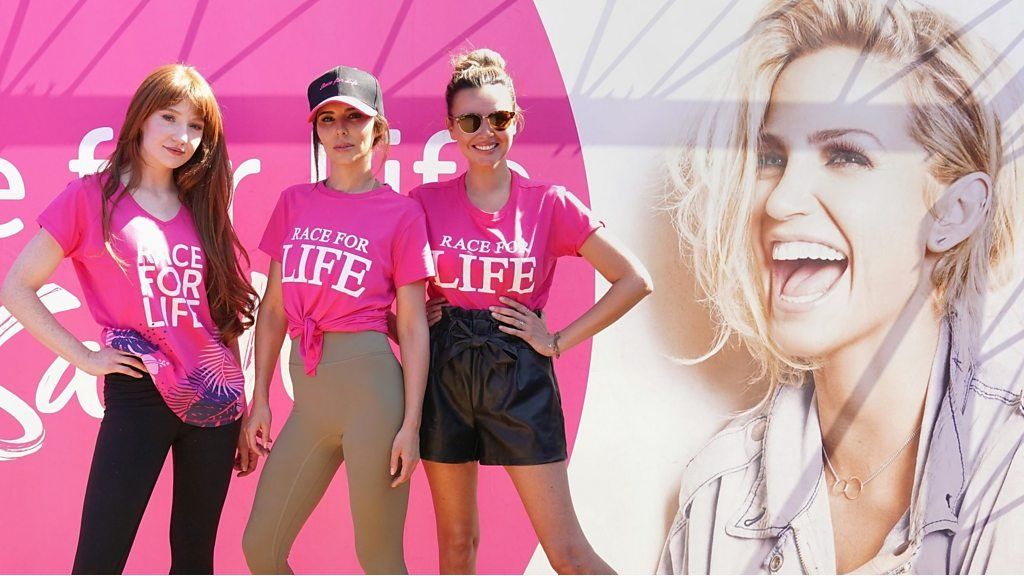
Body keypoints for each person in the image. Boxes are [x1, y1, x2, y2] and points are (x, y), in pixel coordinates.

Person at [658, 0, 1024, 573]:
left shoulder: (1010, 476)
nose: (780, 200)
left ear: (954, 212)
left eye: (846, 155)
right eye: (772, 157)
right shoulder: (718, 492)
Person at [0, 64, 258, 574]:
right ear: (140, 119)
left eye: (196, 125)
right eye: (169, 117)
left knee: (194, 562)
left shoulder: (201, 206)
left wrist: (243, 410)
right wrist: (86, 357)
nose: (182, 136)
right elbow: (16, 286)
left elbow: (223, 318)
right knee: (99, 560)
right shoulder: (91, 197)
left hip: (215, 402)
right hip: (138, 390)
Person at [409, 48, 653, 574]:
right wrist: (407, 320)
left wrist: (557, 339)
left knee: (567, 553)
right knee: (456, 546)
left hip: (519, 378)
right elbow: (383, 295)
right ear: (452, 128)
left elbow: (634, 279)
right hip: (443, 375)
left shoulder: (549, 203)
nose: (485, 131)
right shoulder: (422, 203)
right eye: (471, 120)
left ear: (515, 120)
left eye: (498, 117)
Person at [241, 65, 432, 575]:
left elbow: (412, 325)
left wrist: (411, 425)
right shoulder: (294, 202)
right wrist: (258, 399)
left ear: (379, 129)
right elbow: (275, 309)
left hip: (374, 394)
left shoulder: (401, 213)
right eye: (327, 120)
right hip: (309, 398)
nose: (341, 131)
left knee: (379, 558)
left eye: (353, 117)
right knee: (261, 548)